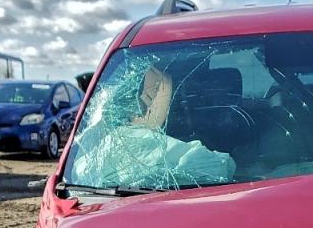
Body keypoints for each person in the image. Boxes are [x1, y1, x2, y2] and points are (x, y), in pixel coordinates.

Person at [68, 62, 235, 190]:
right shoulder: (154, 147)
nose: (147, 97)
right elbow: (224, 168)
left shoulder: (91, 149)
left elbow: (72, 181)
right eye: (153, 91)